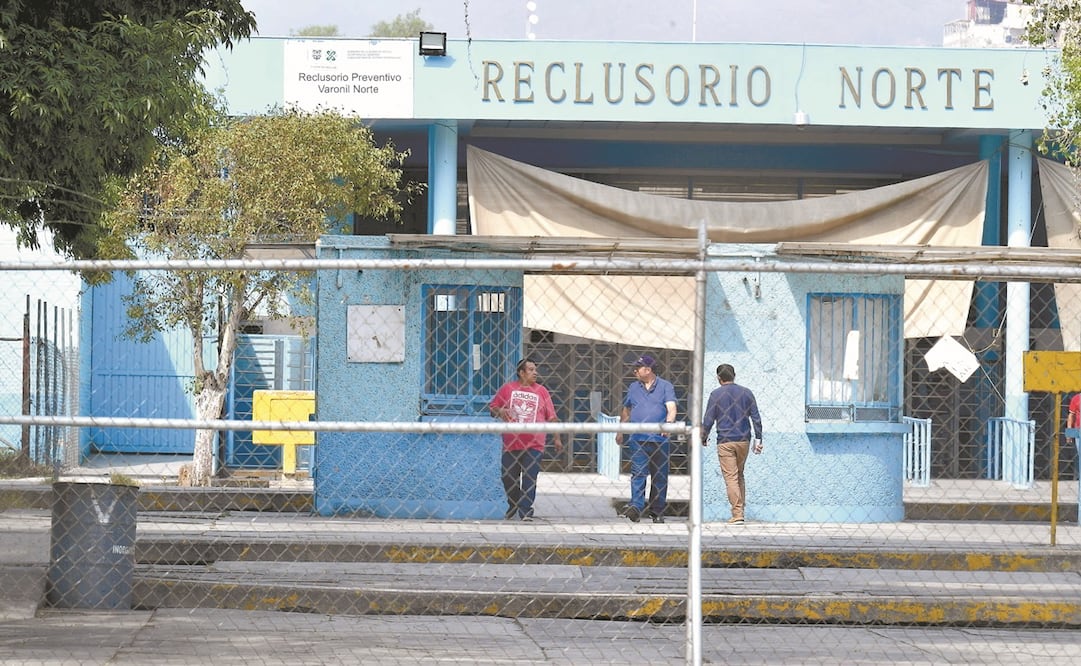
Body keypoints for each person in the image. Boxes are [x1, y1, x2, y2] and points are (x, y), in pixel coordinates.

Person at [489, 358, 563, 521]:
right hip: (511, 443)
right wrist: (500, 411)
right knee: (508, 476)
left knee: (530, 477)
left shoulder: (542, 391)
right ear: (521, 373)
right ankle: (513, 504)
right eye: (530, 369)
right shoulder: (508, 389)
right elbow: (493, 409)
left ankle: (525, 511)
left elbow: (552, 417)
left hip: (535, 443)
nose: (535, 372)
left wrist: (557, 438)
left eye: (535, 369)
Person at [616, 354, 678, 524]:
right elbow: (627, 409)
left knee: (660, 476)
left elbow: (671, 408)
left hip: (659, 440)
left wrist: (669, 423)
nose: (635, 370)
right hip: (638, 439)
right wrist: (620, 430)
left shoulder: (665, 386)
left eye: (638, 367)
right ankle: (636, 507)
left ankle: (656, 511)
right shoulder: (634, 387)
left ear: (648, 370)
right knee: (638, 473)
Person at [701, 363, 763, 525]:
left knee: (731, 477)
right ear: (734, 375)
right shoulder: (746, 393)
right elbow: (756, 417)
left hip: (725, 441)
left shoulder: (716, 395)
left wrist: (704, 436)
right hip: (744, 440)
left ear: (719, 378)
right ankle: (740, 509)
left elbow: (708, 419)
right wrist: (758, 439)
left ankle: (737, 514)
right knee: (739, 474)